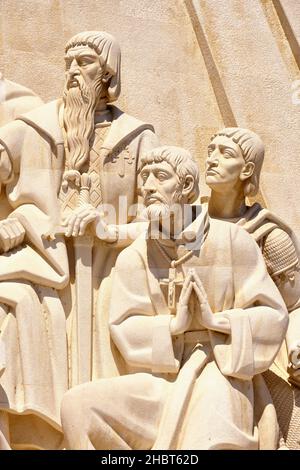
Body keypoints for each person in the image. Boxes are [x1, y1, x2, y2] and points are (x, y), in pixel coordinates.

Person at [61, 146, 288, 450]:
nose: (148, 186)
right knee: (78, 406)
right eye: (145, 177)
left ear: (186, 187)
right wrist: (173, 327)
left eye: (160, 176)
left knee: (207, 433)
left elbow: (273, 317)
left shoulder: (232, 241)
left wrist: (217, 322)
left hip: (220, 374)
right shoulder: (136, 255)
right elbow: (125, 328)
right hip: (162, 384)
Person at [0, 31, 158, 449]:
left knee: (100, 381)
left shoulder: (138, 137)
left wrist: (111, 230)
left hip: (110, 279)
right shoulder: (38, 125)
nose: (73, 71)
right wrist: (19, 218)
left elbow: (167, 221)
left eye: (85, 62)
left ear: (108, 72)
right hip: (51, 270)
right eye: (68, 62)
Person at [205, 127, 300, 448]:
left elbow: (295, 305)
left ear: (247, 170)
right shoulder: (187, 222)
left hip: (244, 354)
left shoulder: (269, 236)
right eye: (210, 149)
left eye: (224, 153)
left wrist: (297, 347)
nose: (211, 159)